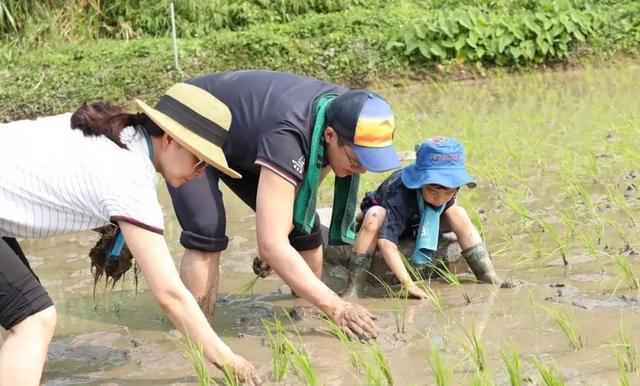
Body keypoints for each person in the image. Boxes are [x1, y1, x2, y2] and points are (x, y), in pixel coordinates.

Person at [0, 83, 260, 385]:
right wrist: (227, 359)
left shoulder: (118, 134)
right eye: (200, 160)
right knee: (34, 320)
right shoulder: (131, 176)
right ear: (170, 140)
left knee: (25, 316)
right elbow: (170, 295)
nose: (201, 172)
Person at [164, 70, 402, 339]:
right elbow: (272, 243)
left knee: (304, 228)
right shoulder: (290, 136)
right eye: (357, 161)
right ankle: (196, 337)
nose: (360, 171)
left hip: (247, 137)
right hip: (193, 119)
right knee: (206, 230)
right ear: (330, 136)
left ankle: (306, 319)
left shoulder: (342, 111)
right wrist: (337, 305)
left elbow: (301, 199)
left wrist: (277, 243)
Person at [342, 137, 501, 299]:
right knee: (374, 216)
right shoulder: (400, 193)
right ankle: (354, 288)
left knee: (458, 213)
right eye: (433, 192)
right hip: (392, 216)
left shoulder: (451, 189)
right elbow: (386, 242)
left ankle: (487, 276)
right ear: (419, 182)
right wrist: (409, 284)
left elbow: (449, 206)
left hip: (422, 220)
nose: (440, 199)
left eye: (448, 192)